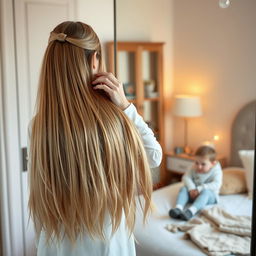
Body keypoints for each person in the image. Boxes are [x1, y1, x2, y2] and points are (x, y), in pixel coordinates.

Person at [28, 21, 162, 256]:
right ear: (94, 60)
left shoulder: (39, 124)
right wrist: (127, 107)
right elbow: (154, 156)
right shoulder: (113, 117)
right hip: (108, 246)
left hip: (56, 245)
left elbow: (40, 200)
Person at [169, 145, 222, 221]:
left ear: (213, 164)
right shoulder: (194, 167)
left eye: (203, 164)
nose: (199, 166)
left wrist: (200, 189)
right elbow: (186, 177)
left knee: (206, 192)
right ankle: (178, 208)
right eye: (196, 162)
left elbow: (217, 184)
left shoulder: (216, 171)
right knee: (183, 188)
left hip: (209, 196)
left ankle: (191, 211)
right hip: (193, 193)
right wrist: (192, 188)